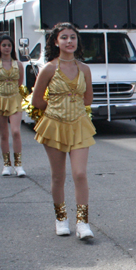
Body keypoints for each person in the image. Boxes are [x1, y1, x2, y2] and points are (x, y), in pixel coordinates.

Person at [31, 22, 96, 239]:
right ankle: (61, 218)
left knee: (80, 174)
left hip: (79, 124)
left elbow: (88, 99)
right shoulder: (49, 68)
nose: (69, 41)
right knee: (58, 177)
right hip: (54, 126)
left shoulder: (84, 69)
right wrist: (55, 109)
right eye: (64, 37)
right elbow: (36, 100)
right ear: (56, 41)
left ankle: (82, 222)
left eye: (73, 37)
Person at [0, 35, 26, 177]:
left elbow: (20, 82)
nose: (6, 48)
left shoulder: (18, 64)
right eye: (4, 45)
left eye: (9, 45)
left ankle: (19, 164)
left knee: (16, 131)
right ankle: (6, 165)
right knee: (4, 134)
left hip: (14, 99)